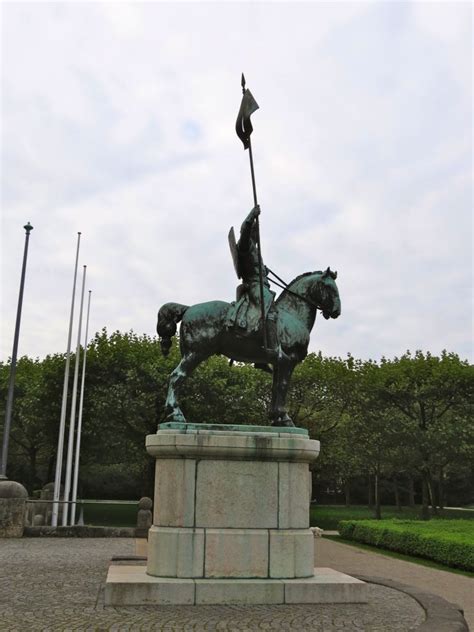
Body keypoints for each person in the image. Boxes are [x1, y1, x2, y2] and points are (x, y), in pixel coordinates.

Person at [227, 205, 287, 362]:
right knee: (270, 310)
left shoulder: (254, 249)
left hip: (261, 284)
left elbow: (255, 268)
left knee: (271, 307)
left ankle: (260, 358)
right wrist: (252, 215)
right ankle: (273, 349)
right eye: (256, 231)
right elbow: (244, 230)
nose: (257, 234)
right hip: (254, 286)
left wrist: (263, 271)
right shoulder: (245, 246)